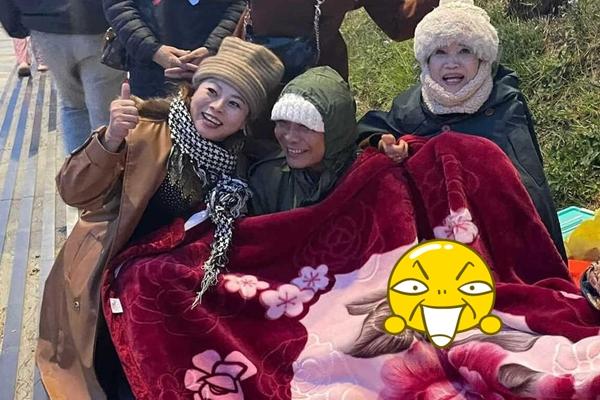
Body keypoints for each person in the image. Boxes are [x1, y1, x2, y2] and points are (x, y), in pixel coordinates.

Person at [36, 37, 283, 399]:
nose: (217, 108)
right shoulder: (144, 127)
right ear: (193, 89)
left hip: (177, 289)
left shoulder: (242, 163)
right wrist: (110, 140)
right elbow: (73, 192)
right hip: (110, 276)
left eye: (235, 103)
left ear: (247, 119)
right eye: (212, 91)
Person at [357, 0, 566, 259]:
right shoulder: (411, 108)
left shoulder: (504, 105)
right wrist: (383, 143)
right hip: (441, 238)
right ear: (426, 60)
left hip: (504, 237)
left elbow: (532, 190)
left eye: (464, 50)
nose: (452, 63)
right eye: (440, 52)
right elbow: (367, 129)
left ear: (482, 57)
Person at [0, 0, 125, 153]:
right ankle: (108, 164)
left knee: (73, 106)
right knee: (107, 110)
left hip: (46, 27)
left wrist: (14, 24)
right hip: (98, 25)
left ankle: (78, 165)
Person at [248, 66, 357, 214]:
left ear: (336, 132)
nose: (290, 137)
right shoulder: (266, 179)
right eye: (282, 122)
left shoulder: (366, 177)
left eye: (305, 127)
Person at [103, 0, 246, 98]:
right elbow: (119, 6)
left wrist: (214, 47)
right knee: (151, 127)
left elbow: (241, 4)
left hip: (211, 65)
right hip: (149, 65)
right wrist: (152, 50)